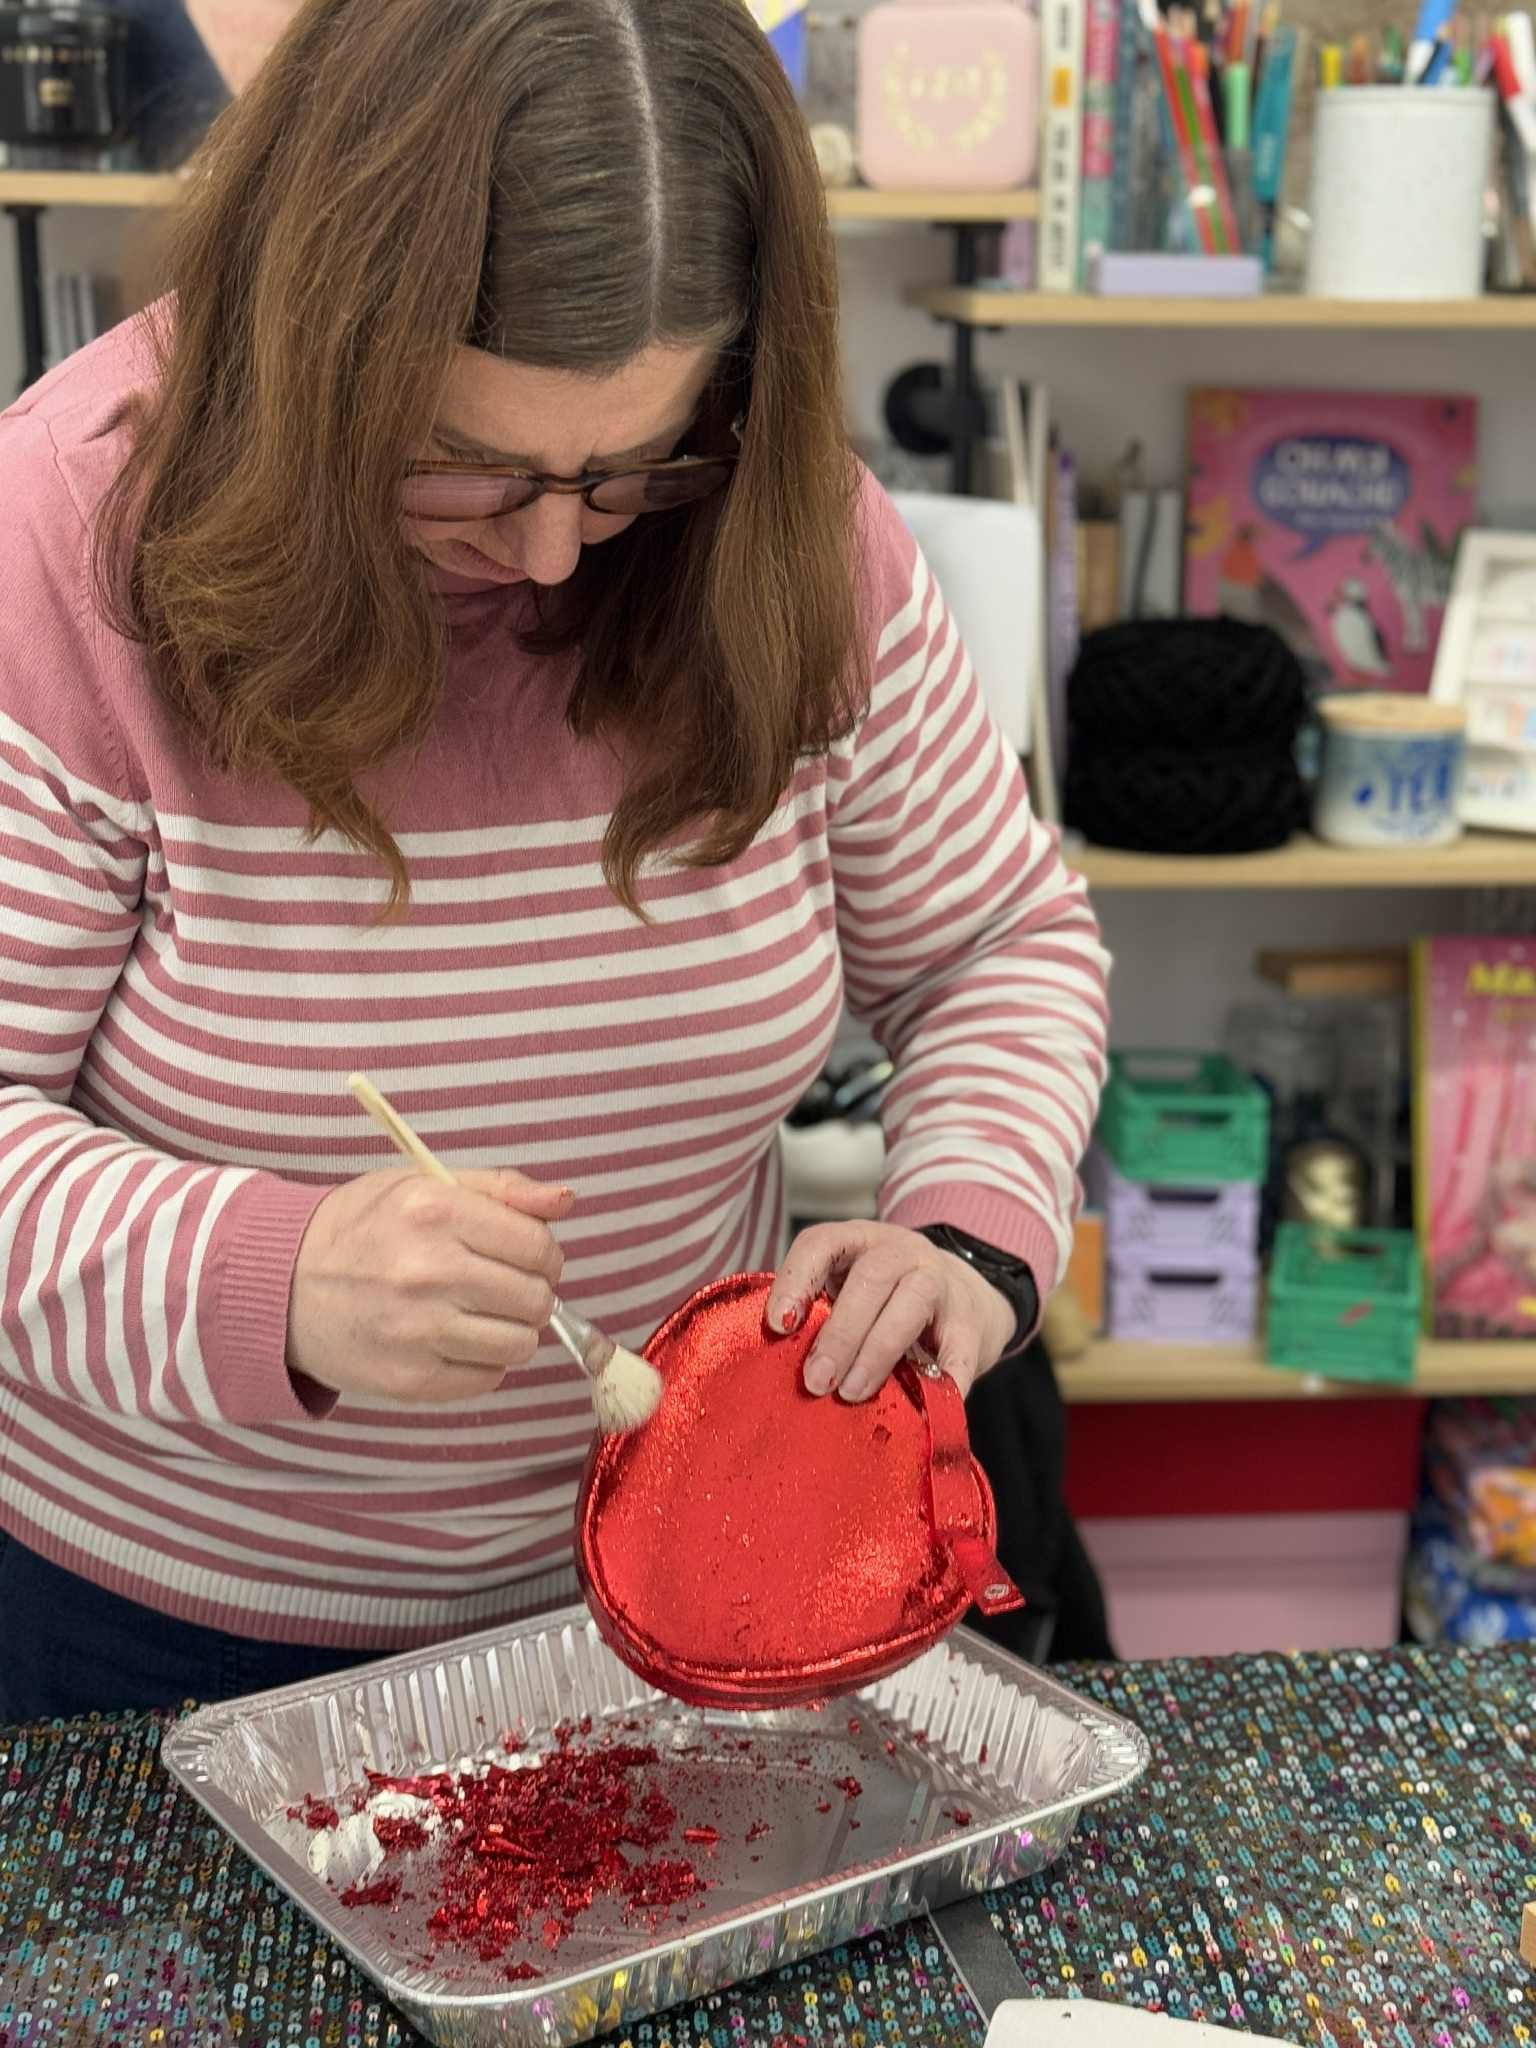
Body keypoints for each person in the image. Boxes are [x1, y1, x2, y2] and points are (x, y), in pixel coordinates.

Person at [0, 0, 1110, 1721]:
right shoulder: (70, 539)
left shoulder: (779, 517)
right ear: (320, 344)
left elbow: (996, 943)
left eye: (624, 473)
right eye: (470, 465)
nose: (542, 551)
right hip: (164, 1640)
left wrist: (964, 1231)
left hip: (679, 1598)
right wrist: (269, 1281)